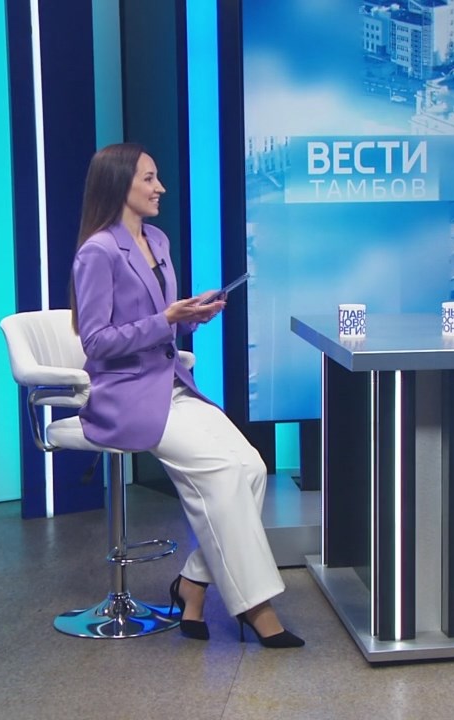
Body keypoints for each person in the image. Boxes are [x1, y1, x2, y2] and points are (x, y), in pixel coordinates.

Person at [71, 143, 303, 648]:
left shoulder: (157, 239)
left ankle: (193, 584)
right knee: (222, 472)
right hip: (126, 394)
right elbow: (96, 342)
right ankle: (258, 608)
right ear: (119, 184)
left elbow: (159, 324)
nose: (161, 188)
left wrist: (189, 317)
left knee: (250, 467)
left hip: (171, 382)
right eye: (149, 178)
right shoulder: (98, 252)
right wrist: (166, 320)